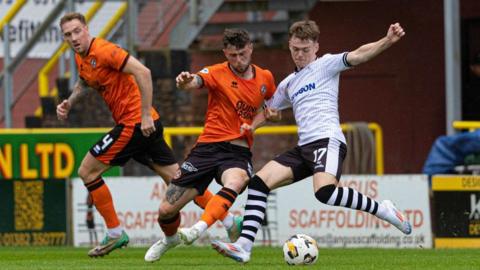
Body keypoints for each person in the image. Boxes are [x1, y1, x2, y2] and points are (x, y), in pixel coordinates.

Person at [211, 20, 412, 263]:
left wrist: (387, 40)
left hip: (327, 140)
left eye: (305, 49)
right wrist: (249, 127)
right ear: (289, 46)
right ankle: (243, 246)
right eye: (295, 49)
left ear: (316, 47)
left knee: (325, 192)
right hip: (304, 148)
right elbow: (268, 111)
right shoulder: (288, 84)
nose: (300, 54)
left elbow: (358, 55)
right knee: (258, 183)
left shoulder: (326, 64)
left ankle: (383, 210)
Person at [57, 12, 240, 257]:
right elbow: (84, 81)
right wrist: (69, 102)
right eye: (68, 34)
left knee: (86, 171)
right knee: (179, 182)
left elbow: (143, 72)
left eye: (77, 31)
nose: (74, 38)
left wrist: (143, 114)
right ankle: (230, 223)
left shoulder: (104, 50)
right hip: (147, 125)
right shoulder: (83, 58)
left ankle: (114, 232)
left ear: (87, 29)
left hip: (135, 124)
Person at [144, 28, 276, 262]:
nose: (238, 60)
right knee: (166, 211)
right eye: (232, 55)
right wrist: (185, 82)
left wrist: (260, 123)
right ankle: (171, 239)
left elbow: (271, 110)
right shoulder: (217, 72)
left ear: (251, 48)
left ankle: (198, 229)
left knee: (237, 180)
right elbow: (196, 81)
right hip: (206, 149)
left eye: (242, 54)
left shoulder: (265, 78)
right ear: (225, 52)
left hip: (237, 151)